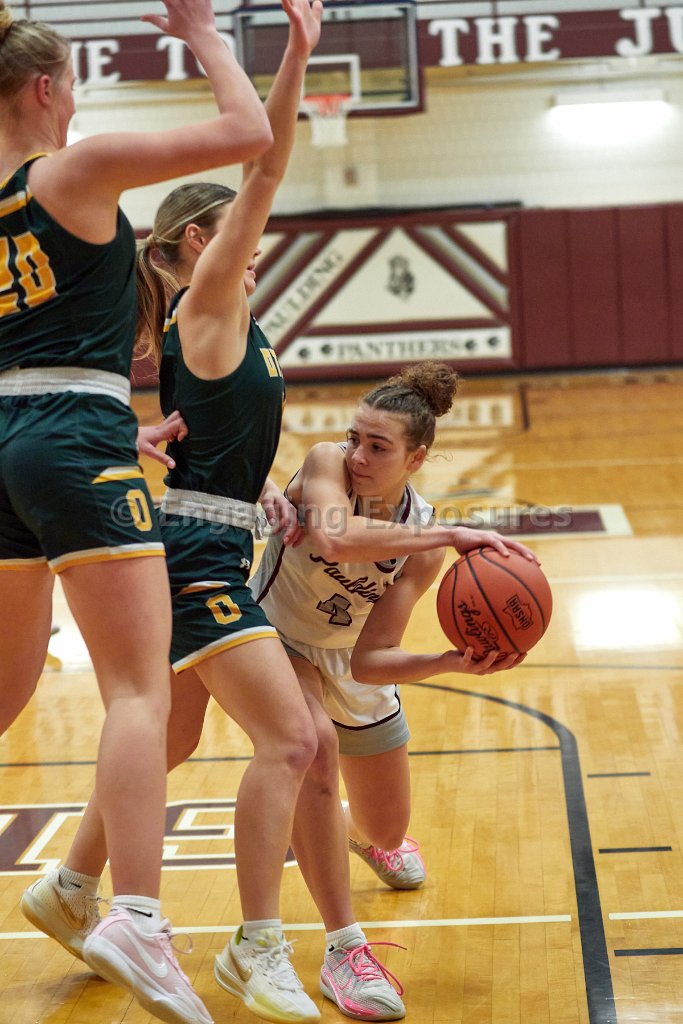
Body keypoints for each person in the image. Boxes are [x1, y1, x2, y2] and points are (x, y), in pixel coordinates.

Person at [21, 2, 332, 1023]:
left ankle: (71, 885)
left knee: (170, 735)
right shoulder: (210, 298)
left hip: (195, 517)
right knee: (288, 737)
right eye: (238, 231)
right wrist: (288, 52)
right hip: (193, 545)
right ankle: (248, 943)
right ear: (202, 238)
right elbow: (263, 163)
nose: (256, 241)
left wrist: (253, 485)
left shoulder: (216, 308)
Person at [249, 362, 532, 918]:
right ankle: (325, 931)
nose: (358, 455)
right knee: (313, 748)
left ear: (415, 459)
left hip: (349, 656)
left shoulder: (421, 545)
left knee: (386, 830)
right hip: (277, 636)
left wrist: (449, 660)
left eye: (378, 447)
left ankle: (351, 831)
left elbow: (372, 661)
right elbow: (333, 537)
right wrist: (450, 533)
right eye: (355, 437)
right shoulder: (327, 463)